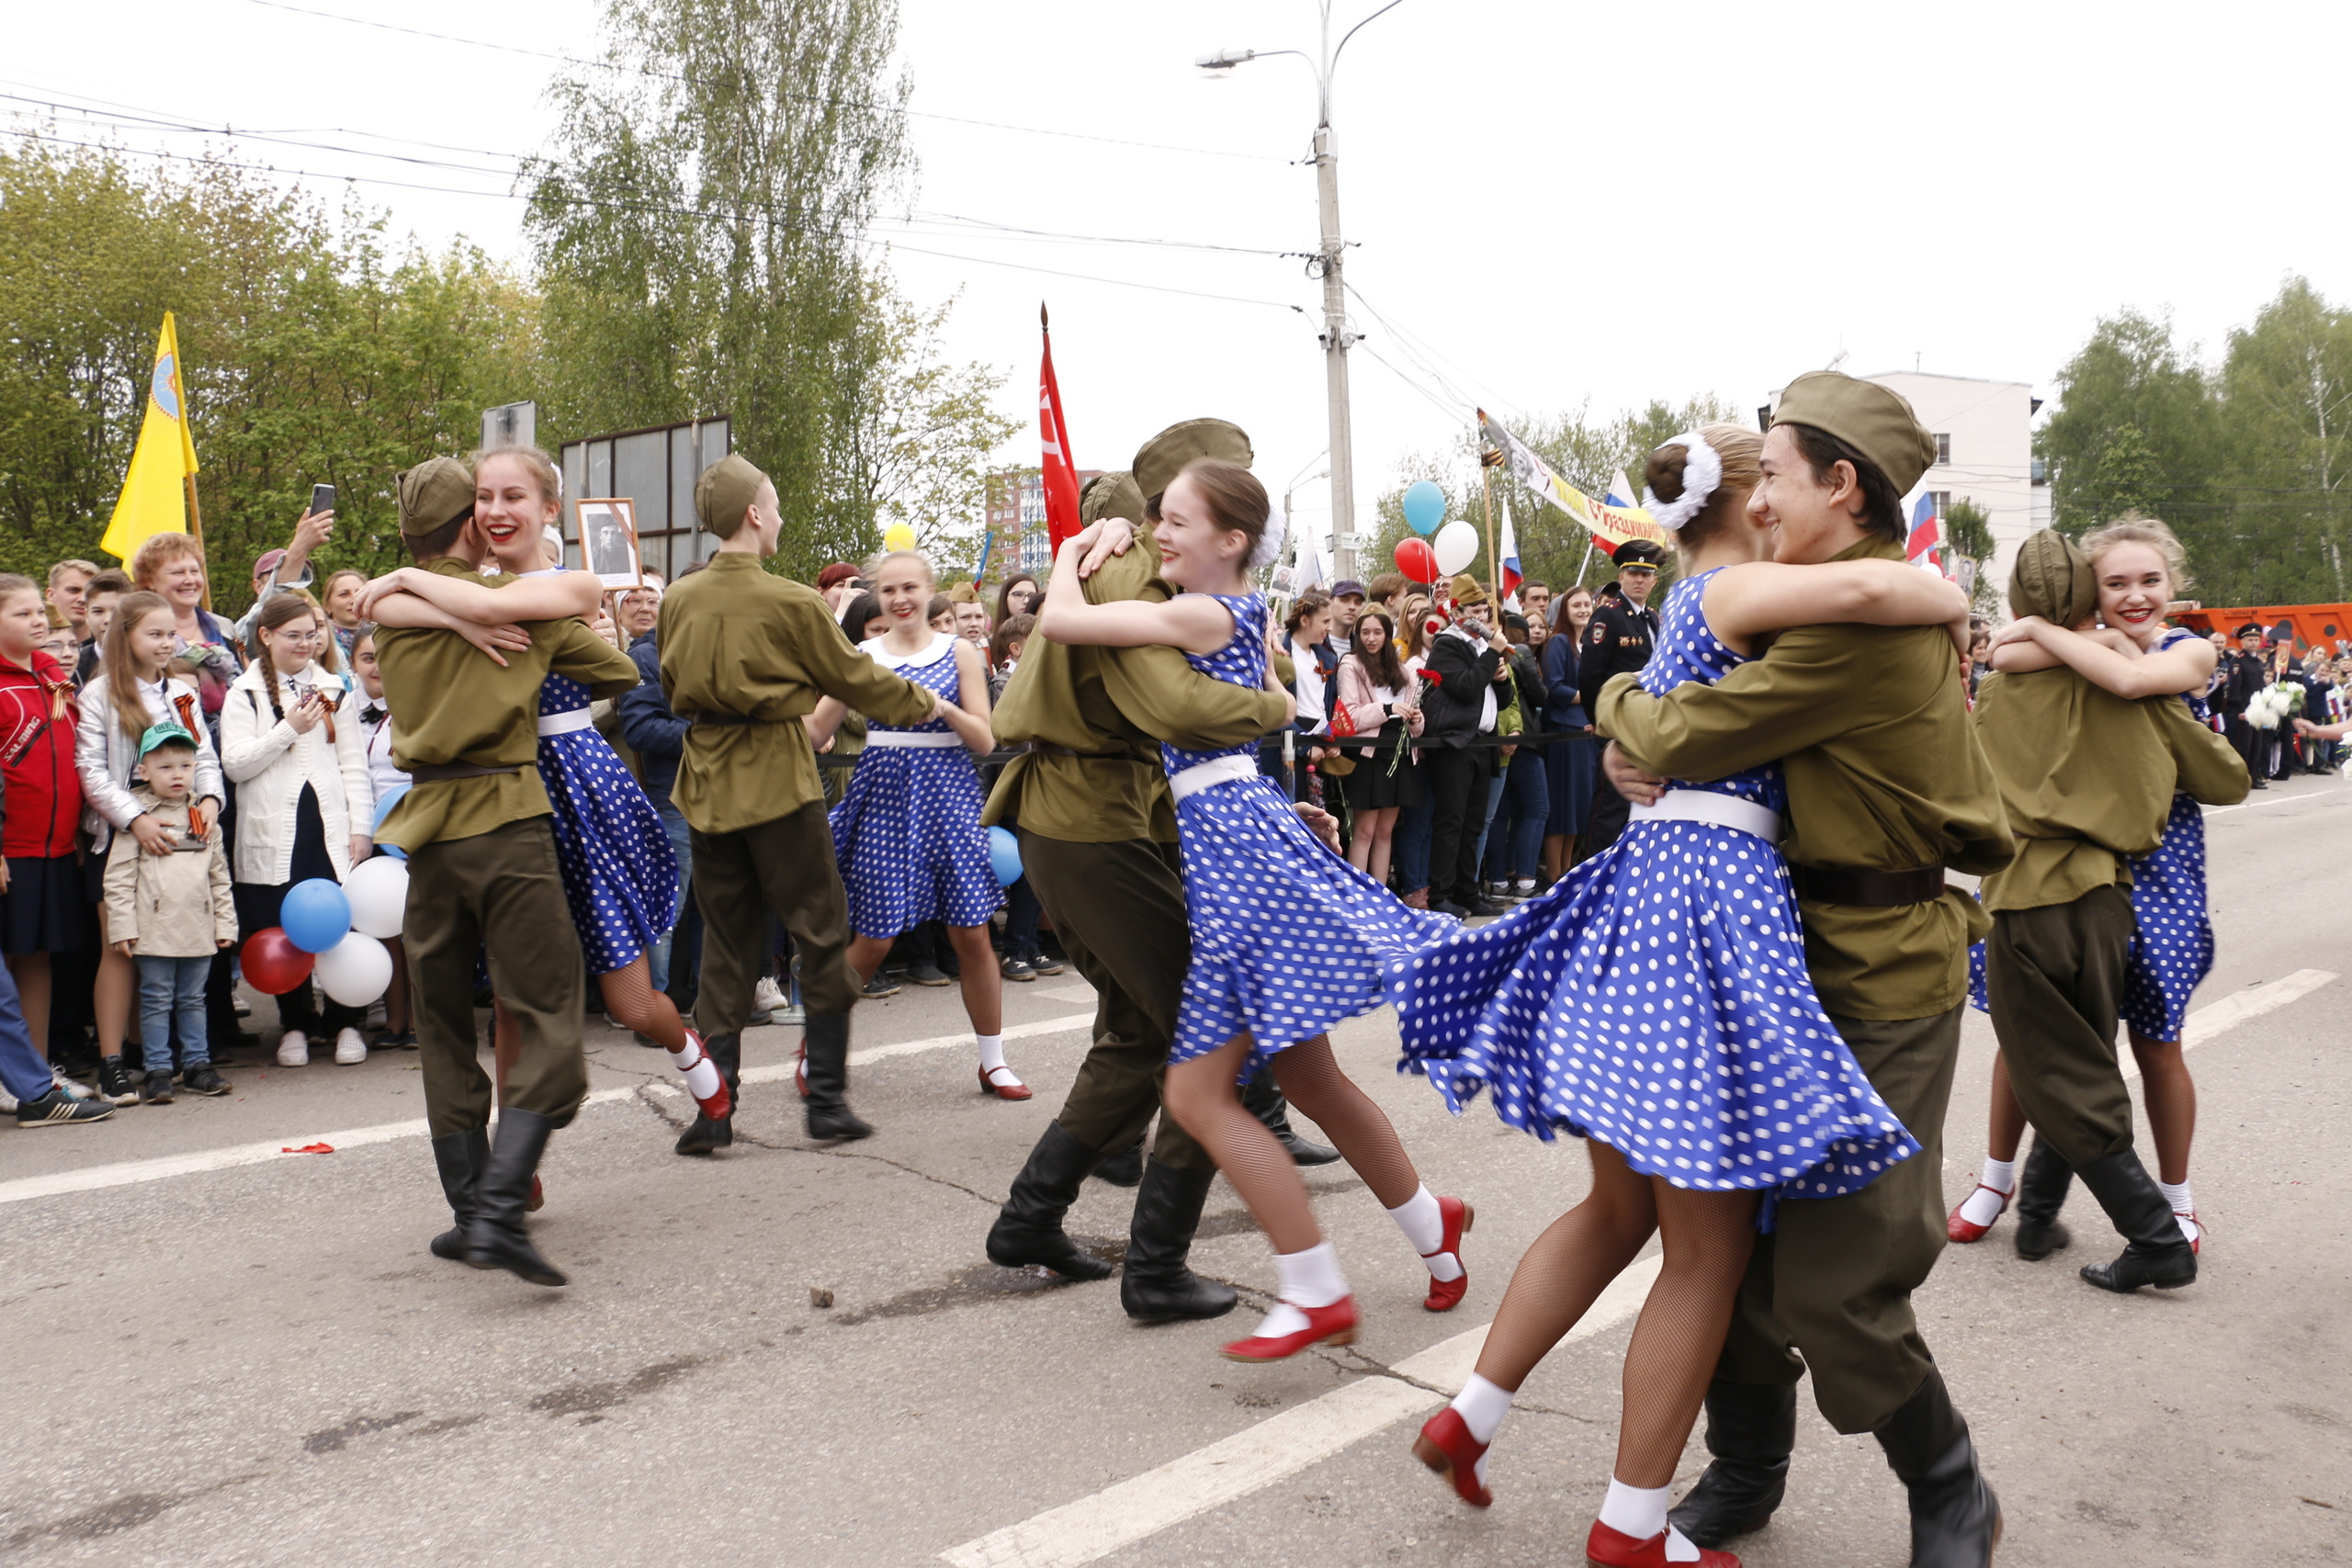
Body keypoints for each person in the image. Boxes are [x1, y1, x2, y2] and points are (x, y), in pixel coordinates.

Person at [1396, 424, 1952, 1568]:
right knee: (1705, 1255)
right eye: (1774, 485)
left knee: (1616, 1211)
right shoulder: (1733, 588)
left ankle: (1473, 1413)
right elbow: (1881, 585)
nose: (1781, 506)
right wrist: (1947, 599)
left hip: (1649, 888)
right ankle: (1632, 1529)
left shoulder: (1679, 610)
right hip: (1711, 898)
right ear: (1747, 502)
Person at [1595, 374, 2014, 1565]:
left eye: (1774, 476)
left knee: (1837, 1284)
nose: (1759, 501)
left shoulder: (1859, 628)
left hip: (1880, 972)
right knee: (1723, 1250)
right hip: (1784, 961)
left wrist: (1617, 701)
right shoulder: (1827, 598)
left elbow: (1683, 732)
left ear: (1841, 485)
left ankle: (1952, 1486)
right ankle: (1747, 1466)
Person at [1036, 454, 1468, 1362]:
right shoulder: (1233, 611)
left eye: (1177, 520)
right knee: (1311, 1081)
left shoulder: (1204, 610)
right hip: (1239, 831)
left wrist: (1075, 547)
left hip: (1236, 857)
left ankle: (1314, 1287)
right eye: (1156, 517)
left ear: (1231, 540)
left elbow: (1063, 620)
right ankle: (1434, 1227)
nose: (1159, 532)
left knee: (1198, 1092)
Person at [981, 423, 1306, 1324]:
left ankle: (1030, 1216)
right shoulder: (1132, 569)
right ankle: (1156, 1267)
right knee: (1210, 1038)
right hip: (1089, 816)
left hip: (1090, 812)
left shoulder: (1127, 559)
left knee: (1137, 1031)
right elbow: (1175, 705)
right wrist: (1274, 704)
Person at [368, 452, 732, 1150]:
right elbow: (380, 607)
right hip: (499, 795)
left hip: (578, 787)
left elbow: (594, 658)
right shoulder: (467, 591)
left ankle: (694, 1060)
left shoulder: (568, 585)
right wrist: (456, 619)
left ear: (548, 510)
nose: (495, 511)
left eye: (513, 496)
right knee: (513, 999)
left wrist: (423, 590)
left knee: (631, 1003)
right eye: (483, 497)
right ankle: (518, 1162)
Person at [371, 455, 644, 1285]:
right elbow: (621, 673)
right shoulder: (527, 609)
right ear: (470, 526)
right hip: (507, 818)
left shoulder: (395, 616)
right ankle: (498, 1209)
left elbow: (379, 599)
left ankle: (467, 1213)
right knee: (550, 1011)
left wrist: (444, 611)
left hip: (427, 831)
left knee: (443, 1027)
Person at [1968, 529, 2245, 1304]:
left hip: (2028, 895)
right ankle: (2037, 1215)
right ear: (2092, 594)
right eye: (2115, 583)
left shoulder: (2008, 688)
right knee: (2084, 1053)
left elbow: (1961, 795)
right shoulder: (2138, 688)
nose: (2133, 595)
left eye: (2148, 579)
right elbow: (2227, 777)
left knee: (2054, 1064)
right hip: (2109, 893)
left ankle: (2157, 1230)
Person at [659, 455, 944, 1147]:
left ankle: (715, 1109)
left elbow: (669, 688)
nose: (780, 517)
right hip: (777, 775)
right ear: (754, 514)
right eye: (775, 504)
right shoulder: (790, 600)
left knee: (726, 943)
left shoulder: (677, 599)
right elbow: (853, 676)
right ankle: (825, 1099)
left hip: (708, 777)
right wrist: (923, 700)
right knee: (820, 933)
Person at [806, 548, 1020, 1099]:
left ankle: (994, 1062)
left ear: (928, 591)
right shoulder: (863, 654)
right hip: (884, 798)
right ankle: (817, 1049)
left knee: (972, 933)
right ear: (878, 597)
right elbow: (815, 730)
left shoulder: (960, 652)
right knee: (874, 938)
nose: (900, 599)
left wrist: (943, 709)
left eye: (909, 588)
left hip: (948, 798)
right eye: (889, 590)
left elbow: (985, 739)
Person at [76, 590, 228, 1104]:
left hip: (181, 840)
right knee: (121, 947)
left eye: (171, 634)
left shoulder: (181, 693)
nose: (166, 643)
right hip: (121, 838)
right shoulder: (99, 695)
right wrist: (135, 818)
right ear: (126, 636)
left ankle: (167, 1059)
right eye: (155, 634)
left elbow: (204, 756)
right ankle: (112, 1062)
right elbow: (91, 770)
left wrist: (210, 799)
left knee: (172, 948)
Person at [220, 592, 376, 1067]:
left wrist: (361, 826)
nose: (305, 644)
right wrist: (288, 728)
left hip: (327, 828)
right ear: (266, 637)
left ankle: (347, 1021)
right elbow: (236, 765)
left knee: (338, 923)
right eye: (293, 636)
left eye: (311, 634)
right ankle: (296, 1023)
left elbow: (352, 764)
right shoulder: (244, 693)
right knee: (280, 925)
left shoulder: (333, 688)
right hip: (273, 832)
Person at [102, 723, 236, 1102]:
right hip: (153, 930)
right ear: (143, 771)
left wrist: (225, 923)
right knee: (156, 999)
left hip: (198, 928)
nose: (177, 774)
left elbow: (219, 876)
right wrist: (122, 927)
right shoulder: (137, 819)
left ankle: (197, 1065)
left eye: (185, 766)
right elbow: (118, 878)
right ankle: (158, 1069)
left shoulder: (203, 817)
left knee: (193, 999)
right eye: (165, 767)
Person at [0, 573, 86, 1068]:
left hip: (55, 847)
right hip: (11, 849)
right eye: (22, 613)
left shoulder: (55, 677)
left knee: (37, 958)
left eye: (39, 611)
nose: (38, 621)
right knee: (6, 962)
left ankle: (36, 1072)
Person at [1419, 578, 1510, 919]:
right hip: (1455, 743)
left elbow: (1503, 700)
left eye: (1485, 611)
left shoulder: (1483, 646)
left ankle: (1467, 891)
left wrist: (1502, 678)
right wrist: (1492, 655)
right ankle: (1440, 894)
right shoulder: (1448, 643)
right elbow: (1466, 688)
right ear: (1458, 613)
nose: (1483, 617)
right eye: (1476, 611)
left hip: (1483, 741)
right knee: (1451, 822)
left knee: (1474, 824)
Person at [1577, 538, 1666, 857]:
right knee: (1609, 809)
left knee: (1641, 806)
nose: (1639, 579)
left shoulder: (1651, 619)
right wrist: (1600, 721)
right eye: (1633, 573)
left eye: (1646, 574)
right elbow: (1590, 674)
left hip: (1647, 727)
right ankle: (1595, 877)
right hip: (1618, 728)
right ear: (1622, 577)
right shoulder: (1608, 615)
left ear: (1654, 580)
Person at [348, 626, 413, 1049]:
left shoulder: (418, 701)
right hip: (366, 830)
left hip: (413, 827)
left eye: (385, 656)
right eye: (368, 658)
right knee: (383, 926)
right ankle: (395, 1022)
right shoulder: (341, 708)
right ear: (353, 663)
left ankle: (425, 1023)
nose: (378, 667)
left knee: (421, 929)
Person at [1334, 608, 1422, 889]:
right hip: (1369, 753)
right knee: (1364, 830)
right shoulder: (1350, 664)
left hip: (1399, 752)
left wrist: (1417, 720)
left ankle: (1381, 896)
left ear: (1387, 634)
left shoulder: (1403, 671)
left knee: (1385, 831)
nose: (1371, 638)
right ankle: (1357, 896)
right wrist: (1387, 709)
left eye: (1377, 632)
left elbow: (1416, 723)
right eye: (1365, 632)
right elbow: (1349, 717)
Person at [1541, 583, 1598, 881]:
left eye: (1587, 604)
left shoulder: (1590, 643)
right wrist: (1592, 696)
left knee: (1578, 808)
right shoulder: (1558, 642)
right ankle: (1554, 876)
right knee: (1562, 807)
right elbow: (1555, 687)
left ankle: (1567, 872)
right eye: (1576, 605)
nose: (1583, 610)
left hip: (1587, 731)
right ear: (1565, 609)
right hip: (1564, 730)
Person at [2215, 624, 2270, 789]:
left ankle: (2254, 776)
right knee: (2243, 747)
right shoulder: (2238, 661)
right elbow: (2235, 688)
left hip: (2257, 709)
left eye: (2256, 640)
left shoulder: (2257, 661)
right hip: (2244, 709)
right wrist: (2240, 710)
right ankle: (2240, 779)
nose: (2253, 643)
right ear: (2243, 642)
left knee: (2256, 745)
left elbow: (2260, 686)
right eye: (2250, 640)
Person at [75, 570, 131, 688]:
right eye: (98, 611)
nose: (108, 620)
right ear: (86, 616)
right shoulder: (75, 666)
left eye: (117, 611)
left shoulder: (150, 661)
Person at [319, 569, 370, 660]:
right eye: (344, 594)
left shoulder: (381, 636)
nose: (355, 600)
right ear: (327, 606)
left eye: (360, 593)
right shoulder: (321, 642)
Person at [46, 559, 97, 646]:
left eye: (90, 592)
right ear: (51, 595)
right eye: (73, 590)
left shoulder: (113, 649)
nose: (83, 599)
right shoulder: (27, 649)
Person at [1329, 579, 1366, 644]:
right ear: (1331, 603)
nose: (1352, 607)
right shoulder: (1313, 643)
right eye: (1344, 600)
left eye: (1358, 602)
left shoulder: (1364, 646)